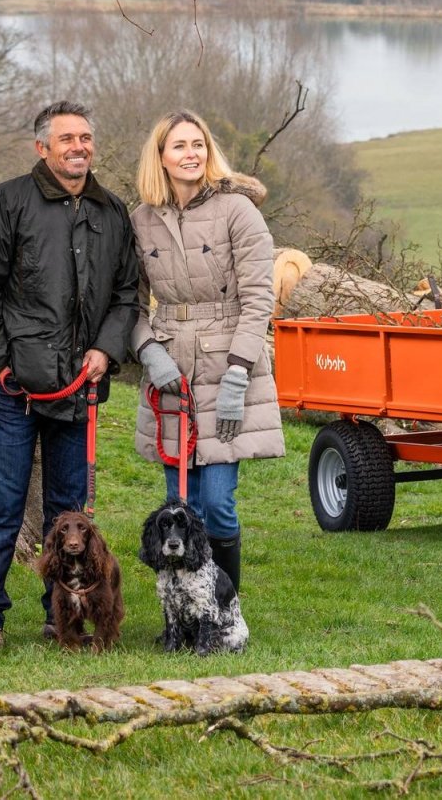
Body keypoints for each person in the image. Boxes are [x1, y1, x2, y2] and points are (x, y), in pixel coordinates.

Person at [0, 100, 139, 649]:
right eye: (67, 139)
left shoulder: (112, 212)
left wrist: (106, 350)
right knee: (2, 510)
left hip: (79, 391)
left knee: (69, 516)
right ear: (43, 148)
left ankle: (59, 613)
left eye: (85, 137)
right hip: (16, 393)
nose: (79, 147)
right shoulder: (8, 202)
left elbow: (128, 293)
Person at [130, 111, 283, 596]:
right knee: (180, 501)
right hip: (171, 367)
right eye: (179, 146)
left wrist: (239, 370)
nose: (190, 153)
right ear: (161, 157)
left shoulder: (239, 211)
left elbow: (259, 297)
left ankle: (225, 608)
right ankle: (185, 611)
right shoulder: (140, 220)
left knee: (217, 502)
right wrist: (148, 351)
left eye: (198, 143)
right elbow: (126, 301)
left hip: (227, 365)